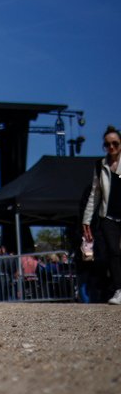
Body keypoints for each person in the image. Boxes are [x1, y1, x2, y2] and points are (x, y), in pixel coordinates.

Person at [81, 125, 121, 305]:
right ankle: (119, 290)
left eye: (115, 144)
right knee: (113, 252)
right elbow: (94, 195)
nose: (111, 147)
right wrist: (86, 220)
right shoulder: (100, 166)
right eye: (107, 145)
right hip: (108, 216)